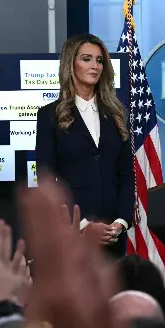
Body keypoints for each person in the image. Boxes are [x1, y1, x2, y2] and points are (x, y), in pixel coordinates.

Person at [35, 32, 134, 258]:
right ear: (71, 63)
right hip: (71, 237)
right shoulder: (50, 116)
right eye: (86, 59)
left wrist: (120, 222)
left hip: (113, 237)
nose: (95, 66)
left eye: (99, 60)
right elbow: (46, 181)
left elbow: (126, 174)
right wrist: (82, 225)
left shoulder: (117, 115)